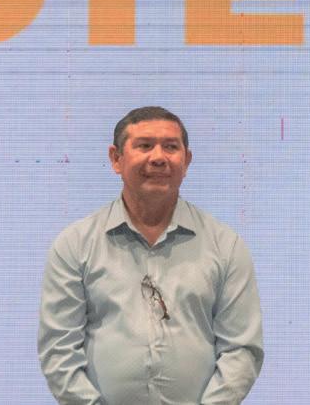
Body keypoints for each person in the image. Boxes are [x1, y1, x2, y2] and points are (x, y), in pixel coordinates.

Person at [39, 106, 264, 404]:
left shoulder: (225, 246)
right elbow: (59, 350)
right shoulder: (75, 244)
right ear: (116, 159)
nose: (158, 157)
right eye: (144, 146)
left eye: (171, 147)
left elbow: (241, 349)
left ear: (186, 161)